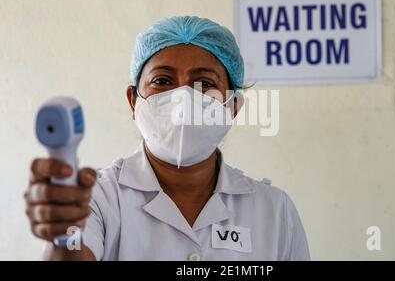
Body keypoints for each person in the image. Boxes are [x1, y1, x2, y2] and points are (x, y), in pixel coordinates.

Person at [24, 16, 310, 261]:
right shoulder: (97, 197)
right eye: (162, 81)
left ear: (233, 106)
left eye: (205, 84)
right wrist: (62, 233)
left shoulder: (274, 210)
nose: (183, 98)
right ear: (133, 101)